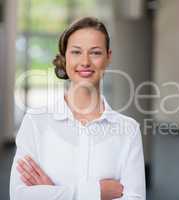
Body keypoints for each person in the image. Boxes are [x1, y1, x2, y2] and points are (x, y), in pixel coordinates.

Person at [10, 17, 146, 200]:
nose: (85, 62)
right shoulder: (36, 122)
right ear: (65, 57)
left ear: (108, 57)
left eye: (95, 53)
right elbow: (20, 195)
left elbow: (135, 198)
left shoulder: (128, 130)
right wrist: (97, 192)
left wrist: (52, 192)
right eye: (76, 52)